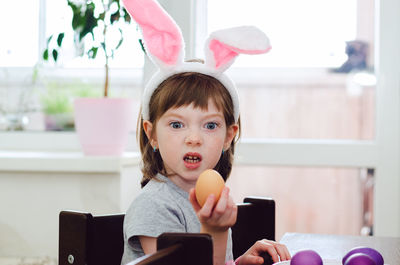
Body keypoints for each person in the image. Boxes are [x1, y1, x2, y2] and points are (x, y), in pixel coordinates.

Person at [120, 1, 291, 265]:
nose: (194, 138)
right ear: (151, 134)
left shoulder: (210, 200)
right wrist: (216, 231)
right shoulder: (153, 206)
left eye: (210, 125)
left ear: (228, 136)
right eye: (177, 125)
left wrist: (238, 262)